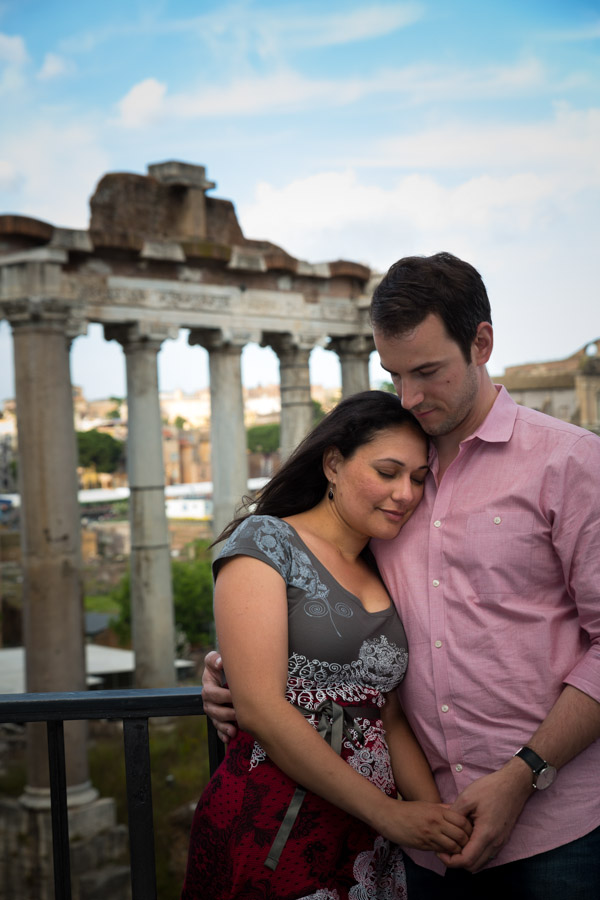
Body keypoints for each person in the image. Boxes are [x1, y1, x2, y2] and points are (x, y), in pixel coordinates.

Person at [203, 252, 600, 900]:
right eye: (394, 375)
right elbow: (313, 591)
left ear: (482, 343)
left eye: (428, 372)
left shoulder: (572, 462)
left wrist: (525, 774)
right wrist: (228, 666)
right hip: (418, 840)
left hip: (555, 832)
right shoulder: (383, 486)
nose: (410, 397)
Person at [182, 390, 472, 900]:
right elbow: (260, 709)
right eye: (387, 472)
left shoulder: (384, 564)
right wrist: (392, 814)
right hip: (275, 819)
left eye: (419, 479)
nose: (405, 493)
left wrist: (436, 825)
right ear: (333, 463)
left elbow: (391, 716)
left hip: (366, 838)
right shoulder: (265, 542)